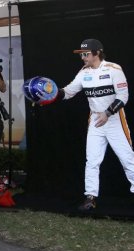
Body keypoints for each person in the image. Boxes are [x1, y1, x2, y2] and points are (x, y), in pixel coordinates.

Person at [57, 38, 134, 210]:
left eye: (86, 54)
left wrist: (108, 113)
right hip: (95, 121)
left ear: (97, 53)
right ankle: (90, 198)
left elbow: (123, 96)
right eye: (81, 54)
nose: (83, 57)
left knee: (127, 158)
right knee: (92, 160)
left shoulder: (114, 69)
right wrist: (52, 94)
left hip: (114, 119)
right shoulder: (84, 72)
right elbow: (69, 92)